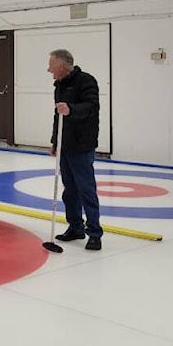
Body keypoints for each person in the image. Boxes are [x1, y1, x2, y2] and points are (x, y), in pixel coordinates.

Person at [48, 48, 102, 251]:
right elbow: (57, 117)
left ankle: (95, 233)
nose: (48, 69)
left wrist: (71, 109)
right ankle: (76, 226)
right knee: (70, 190)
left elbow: (91, 107)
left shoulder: (86, 81)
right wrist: (55, 141)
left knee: (86, 189)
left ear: (62, 66)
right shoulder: (59, 85)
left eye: (51, 65)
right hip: (65, 145)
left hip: (81, 145)